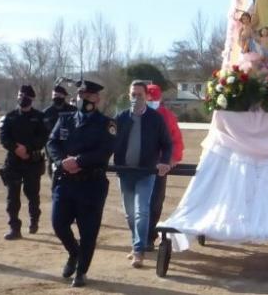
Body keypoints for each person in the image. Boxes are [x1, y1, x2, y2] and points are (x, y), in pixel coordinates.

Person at [47, 80, 116, 287]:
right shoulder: (66, 119)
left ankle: (81, 271)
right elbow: (52, 142)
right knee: (58, 223)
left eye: (87, 96)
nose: (82, 99)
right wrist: (62, 163)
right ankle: (73, 254)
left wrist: (78, 161)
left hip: (91, 184)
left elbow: (105, 150)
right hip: (66, 182)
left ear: (97, 99)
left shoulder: (107, 124)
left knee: (88, 231)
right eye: (80, 95)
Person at [113, 81, 172, 268]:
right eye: (133, 95)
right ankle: (135, 243)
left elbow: (167, 144)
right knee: (130, 214)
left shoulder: (155, 119)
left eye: (139, 95)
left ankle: (139, 250)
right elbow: (109, 141)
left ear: (147, 96)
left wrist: (164, 161)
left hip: (146, 173)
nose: (136, 98)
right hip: (125, 173)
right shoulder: (120, 118)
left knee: (141, 211)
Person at [0, 85, 49, 240]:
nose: (22, 98)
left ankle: (34, 220)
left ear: (32, 99)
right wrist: (15, 148)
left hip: (32, 161)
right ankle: (14, 228)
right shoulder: (9, 116)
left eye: (25, 96)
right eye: (20, 95)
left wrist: (28, 149)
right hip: (13, 161)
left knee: (32, 194)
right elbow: (3, 137)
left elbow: (44, 137)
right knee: (12, 197)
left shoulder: (40, 117)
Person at [145, 83, 184, 251]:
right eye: (149, 98)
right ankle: (140, 237)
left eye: (154, 98)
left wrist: (172, 158)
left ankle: (148, 237)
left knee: (154, 202)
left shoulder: (167, 117)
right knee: (137, 205)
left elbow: (176, 140)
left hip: (159, 167)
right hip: (139, 166)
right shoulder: (136, 114)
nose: (151, 101)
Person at [43, 85, 77, 178]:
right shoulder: (46, 113)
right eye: (54, 95)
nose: (56, 97)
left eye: (59, 95)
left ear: (64, 96)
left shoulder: (73, 111)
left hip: (70, 150)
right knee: (55, 179)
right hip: (53, 152)